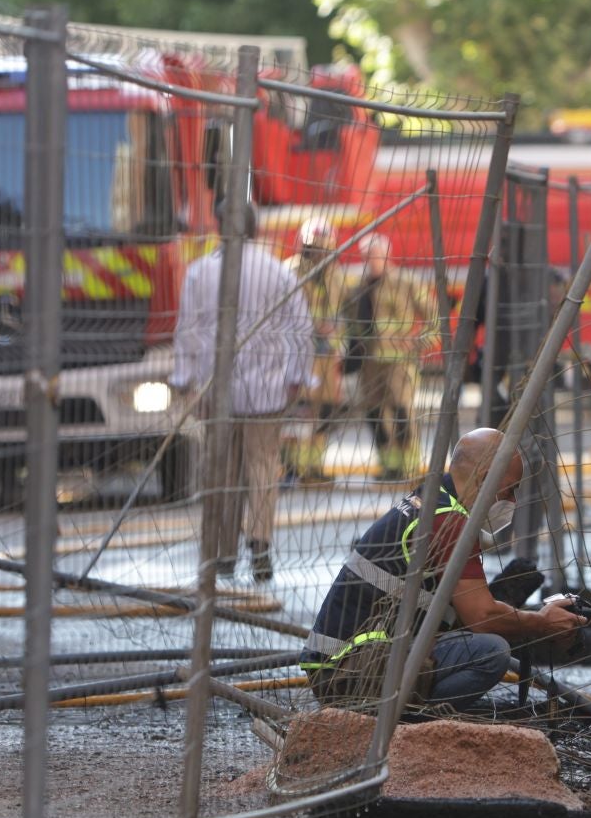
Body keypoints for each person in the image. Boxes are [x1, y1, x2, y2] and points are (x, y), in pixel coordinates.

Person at [300, 427, 591, 711]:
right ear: (485, 479)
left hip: (344, 666)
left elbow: (456, 614)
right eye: (510, 490)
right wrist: (541, 621)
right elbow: (481, 618)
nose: (512, 501)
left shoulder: (432, 501)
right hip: (352, 676)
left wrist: (512, 607)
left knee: (484, 636)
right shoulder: (450, 522)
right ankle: (418, 728)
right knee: (491, 652)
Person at [170, 200, 314, 583]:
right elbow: (300, 328)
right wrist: (298, 375)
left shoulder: (201, 273)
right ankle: (261, 544)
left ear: (219, 225)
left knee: (222, 471)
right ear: (256, 227)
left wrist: (183, 380)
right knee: (263, 467)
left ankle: (223, 554)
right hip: (268, 392)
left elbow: (188, 330)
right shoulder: (277, 272)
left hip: (217, 393)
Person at [347, 233, 435, 481]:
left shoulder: (406, 283)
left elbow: (435, 317)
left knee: (402, 412)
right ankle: (389, 465)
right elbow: (352, 324)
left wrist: (419, 344)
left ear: (387, 255)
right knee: (374, 413)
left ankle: (408, 466)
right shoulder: (358, 288)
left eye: (375, 256)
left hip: (400, 362)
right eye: (367, 257)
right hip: (370, 364)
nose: (371, 261)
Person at [282, 218, 349, 485]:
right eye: (314, 249)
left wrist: (338, 338)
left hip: (328, 357)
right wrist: (312, 327)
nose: (319, 255)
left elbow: (344, 313)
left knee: (326, 412)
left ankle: (314, 467)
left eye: (325, 250)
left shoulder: (337, 275)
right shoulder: (290, 272)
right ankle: (292, 467)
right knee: (300, 411)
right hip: (299, 356)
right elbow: (283, 316)